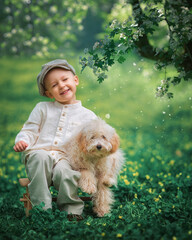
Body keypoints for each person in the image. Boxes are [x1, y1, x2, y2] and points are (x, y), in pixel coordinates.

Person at [13, 59, 97, 221]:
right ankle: (41, 209)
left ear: (75, 80)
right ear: (48, 94)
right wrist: (23, 141)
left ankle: (71, 209)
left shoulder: (88, 116)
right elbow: (29, 130)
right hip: (39, 153)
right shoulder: (42, 108)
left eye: (65, 80)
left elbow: (92, 141)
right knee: (41, 157)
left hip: (65, 158)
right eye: (54, 85)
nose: (62, 86)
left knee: (65, 172)